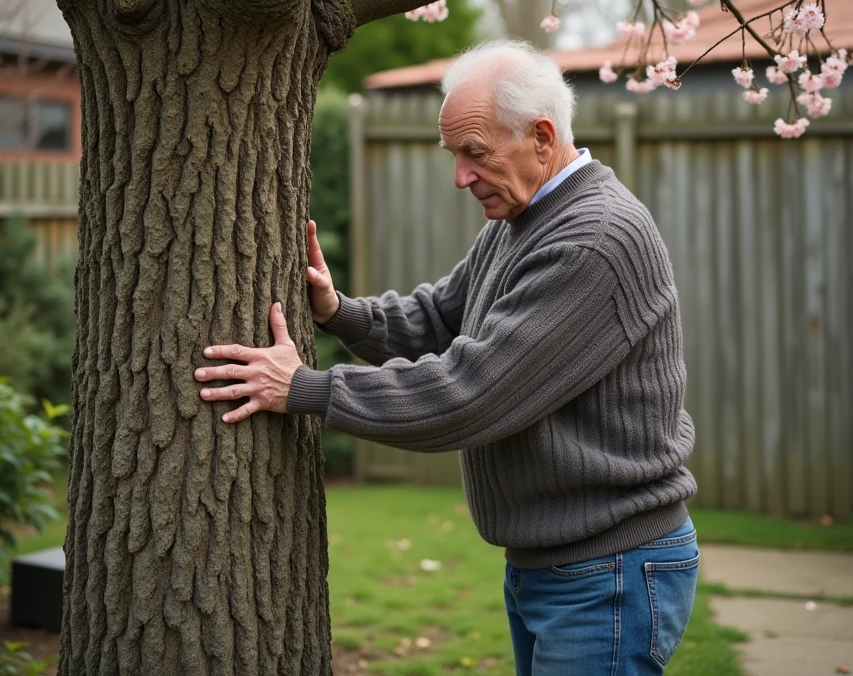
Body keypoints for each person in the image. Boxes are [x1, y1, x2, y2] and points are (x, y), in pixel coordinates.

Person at [194, 40, 698, 675]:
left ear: (541, 137)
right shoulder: (524, 221)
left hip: (607, 572)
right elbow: (438, 319)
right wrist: (338, 311)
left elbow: (472, 391)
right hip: (561, 564)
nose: (461, 176)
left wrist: (304, 388)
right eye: (454, 154)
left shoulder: (593, 239)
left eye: (475, 153)